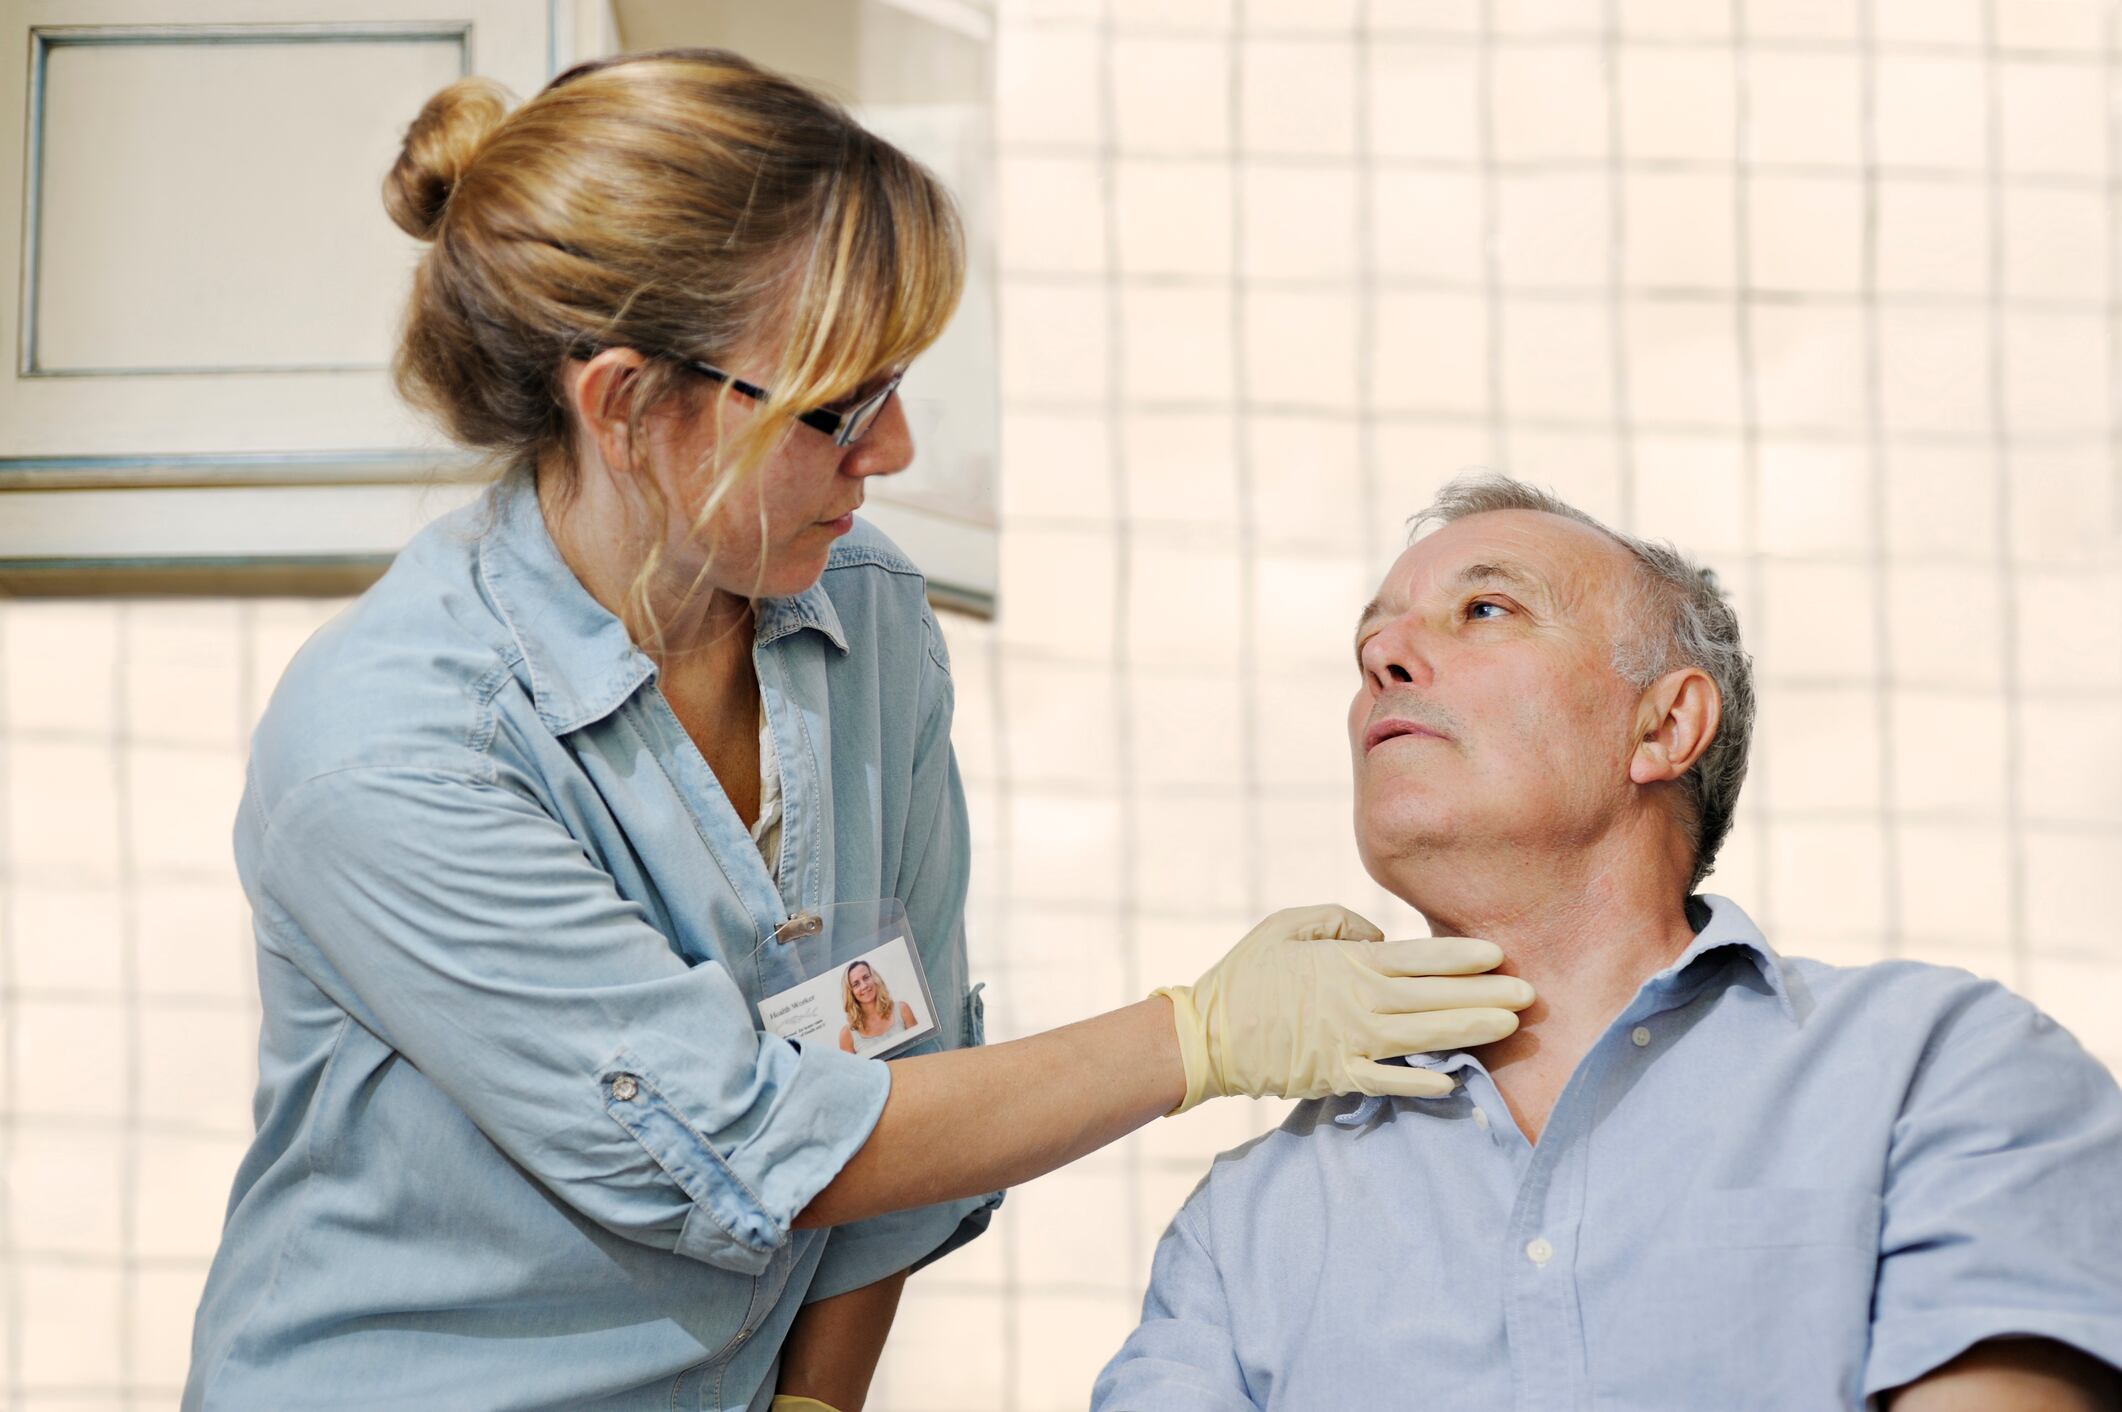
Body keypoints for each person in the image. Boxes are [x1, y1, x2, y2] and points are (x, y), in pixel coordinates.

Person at [180, 51, 1535, 1412]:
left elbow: (898, 1068)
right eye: (833, 407)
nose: (887, 453)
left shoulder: (861, 614)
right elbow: (748, 1143)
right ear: (626, 407)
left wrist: (818, 1401)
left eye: (899, 386)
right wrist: (1198, 1038)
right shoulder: (394, 745)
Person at [1094, 472, 2122, 1411]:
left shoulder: (1937, 1067)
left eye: (1485, 609)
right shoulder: (1242, 1226)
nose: (1381, 658)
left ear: (1664, 726)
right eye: (1373, 641)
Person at [839, 961, 918, 1056]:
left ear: (875, 978)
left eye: (866, 977)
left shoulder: (902, 1009)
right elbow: (852, 1071)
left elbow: (921, 1050)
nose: (864, 986)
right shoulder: (847, 1035)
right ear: (850, 992)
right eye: (856, 984)